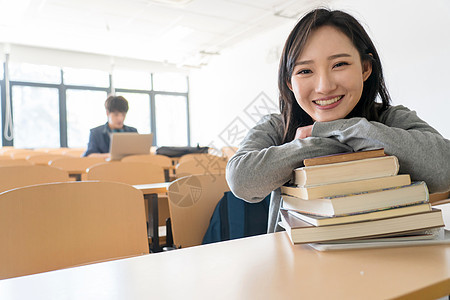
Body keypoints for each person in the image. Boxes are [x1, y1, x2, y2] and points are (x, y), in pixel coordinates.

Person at [226, 8, 450, 233]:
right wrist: (313, 145)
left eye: (339, 64)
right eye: (305, 71)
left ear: (365, 68)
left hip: (391, 256)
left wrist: (337, 129)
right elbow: (242, 180)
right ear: (290, 83)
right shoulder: (277, 127)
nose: (324, 86)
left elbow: (445, 168)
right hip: (298, 262)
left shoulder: (391, 118)